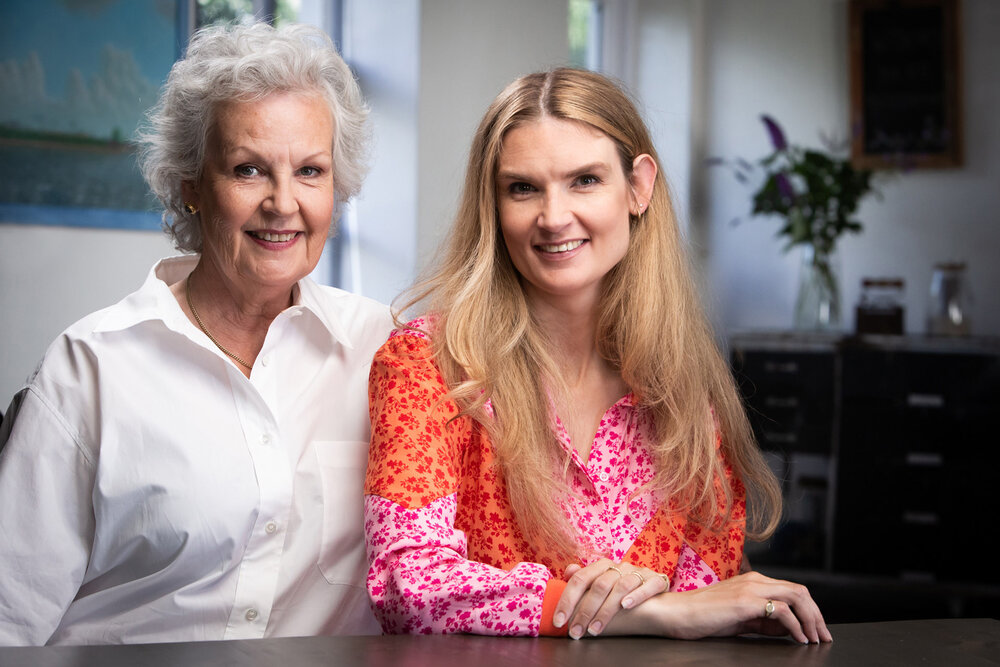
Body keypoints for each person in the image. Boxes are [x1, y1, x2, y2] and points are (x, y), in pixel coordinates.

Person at [364, 68, 832, 643]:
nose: (554, 217)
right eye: (523, 188)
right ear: (493, 204)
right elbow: (405, 586)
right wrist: (647, 614)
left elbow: (707, 602)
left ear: (638, 187)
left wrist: (680, 611)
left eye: (584, 180)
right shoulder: (427, 365)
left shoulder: (687, 394)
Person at [0, 22, 393, 645]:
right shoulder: (90, 367)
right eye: (248, 170)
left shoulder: (382, 350)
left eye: (311, 171)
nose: (283, 202)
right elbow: (10, 617)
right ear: (192, 189)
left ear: (336, 192)